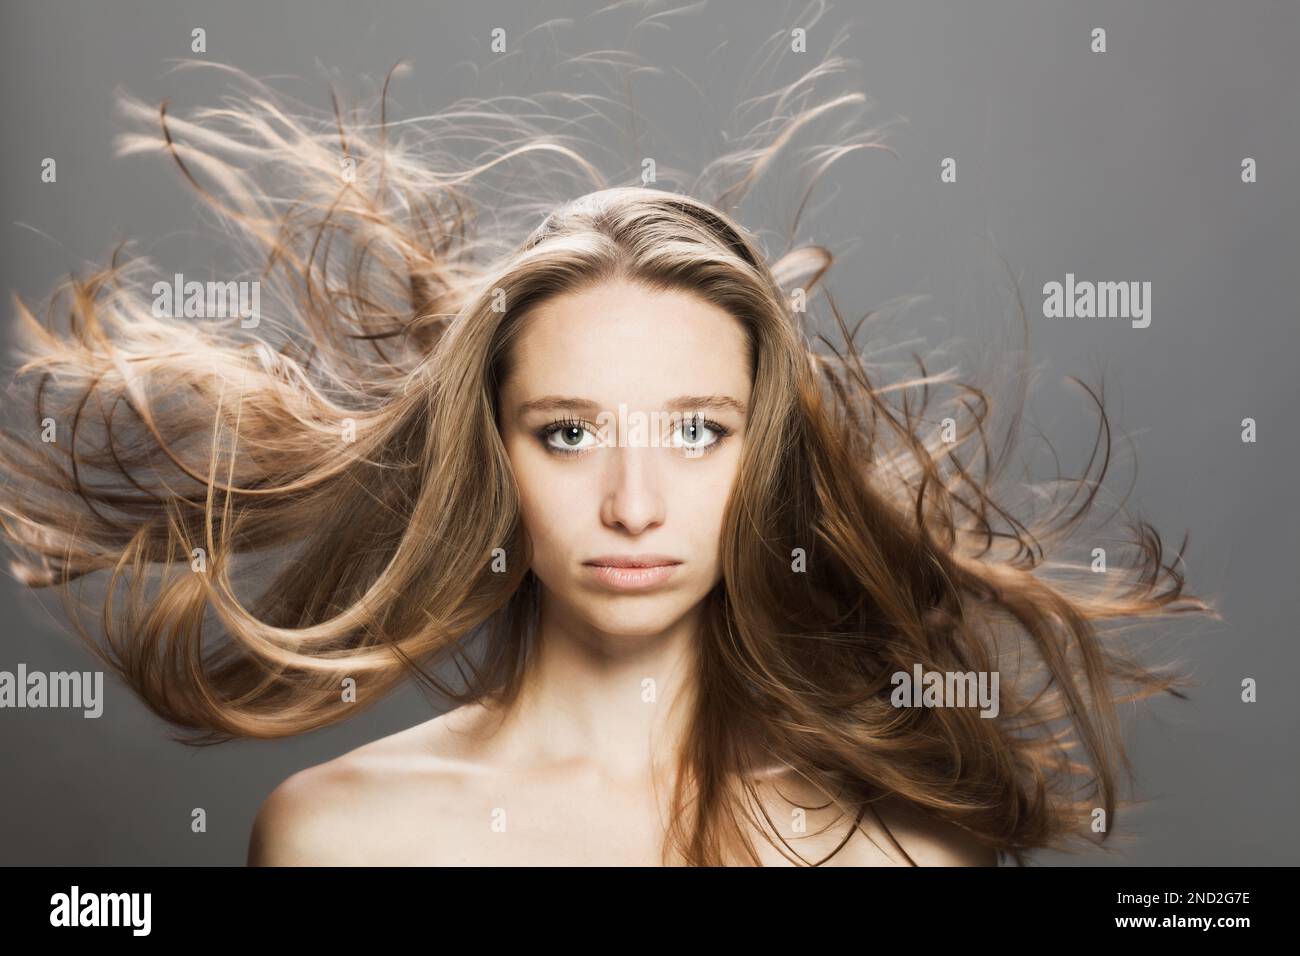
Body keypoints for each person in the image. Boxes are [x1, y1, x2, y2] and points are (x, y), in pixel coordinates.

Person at [0, 57, 1215, 866]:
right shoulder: (344, 836)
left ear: (764, 463)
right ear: (494, 454)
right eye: (569, 432)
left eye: (695, 430)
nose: (634, 503)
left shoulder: (891, 847)